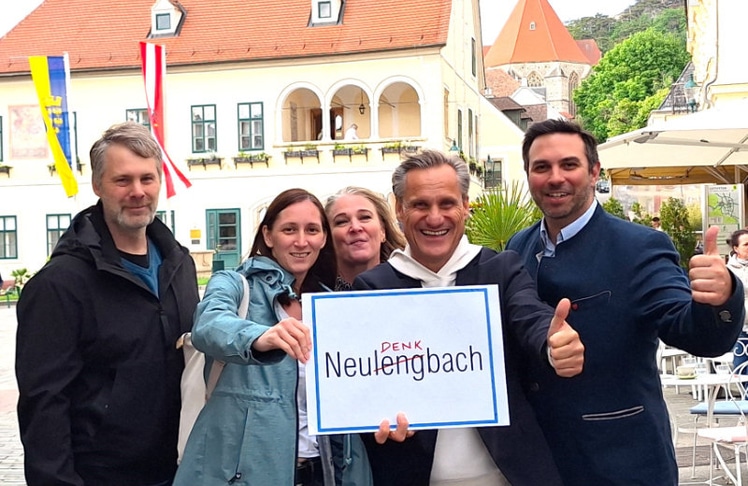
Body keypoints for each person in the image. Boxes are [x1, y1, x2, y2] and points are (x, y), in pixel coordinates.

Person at [506, 118, 744, 485]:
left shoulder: (639, 246)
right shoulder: (518, 246)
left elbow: (695, 334)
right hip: (536, 463)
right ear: (528, 174)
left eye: (569, 164)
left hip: (620, 464)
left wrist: (720, 296)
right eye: (542, 167)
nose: (555, 178)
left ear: (594, 172)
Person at [353, 150, 585, 485]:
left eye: (447, 203)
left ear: (465, 205)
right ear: (399, 209)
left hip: (507, 476)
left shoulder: (500, 269)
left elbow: (529, 314)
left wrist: (553, 344)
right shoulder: (373, 287)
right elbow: (365, 381)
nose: (435, 218)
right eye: (420, 205)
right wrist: (374, 417)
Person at [15, 121, 200, 486]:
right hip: (101, 475)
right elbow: (44, 404)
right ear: (98, 185)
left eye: (147, 179)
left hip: (179, 469)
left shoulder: (179, 265)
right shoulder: (59, 284)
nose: (138, 192)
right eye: (122, 180)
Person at [175, 188, 370, 486]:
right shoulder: (235, 283)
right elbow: (209, 325)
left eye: (312, 230)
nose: (301, 241)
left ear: (323, 238)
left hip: (325, 472)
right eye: (289, 229)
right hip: (245, 475)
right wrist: (260, 336)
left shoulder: (330, 304)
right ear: (268, 235)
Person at [325, 186, 406, 290]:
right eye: (342, 222)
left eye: (365, 217)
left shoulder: (412, 284)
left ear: (383, 230)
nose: (355, 227)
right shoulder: (313, 291)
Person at [728, 229, 748, 371]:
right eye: (746, 244)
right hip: (741, 328)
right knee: (741, 370)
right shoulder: (728, 271)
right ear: (736, 248)